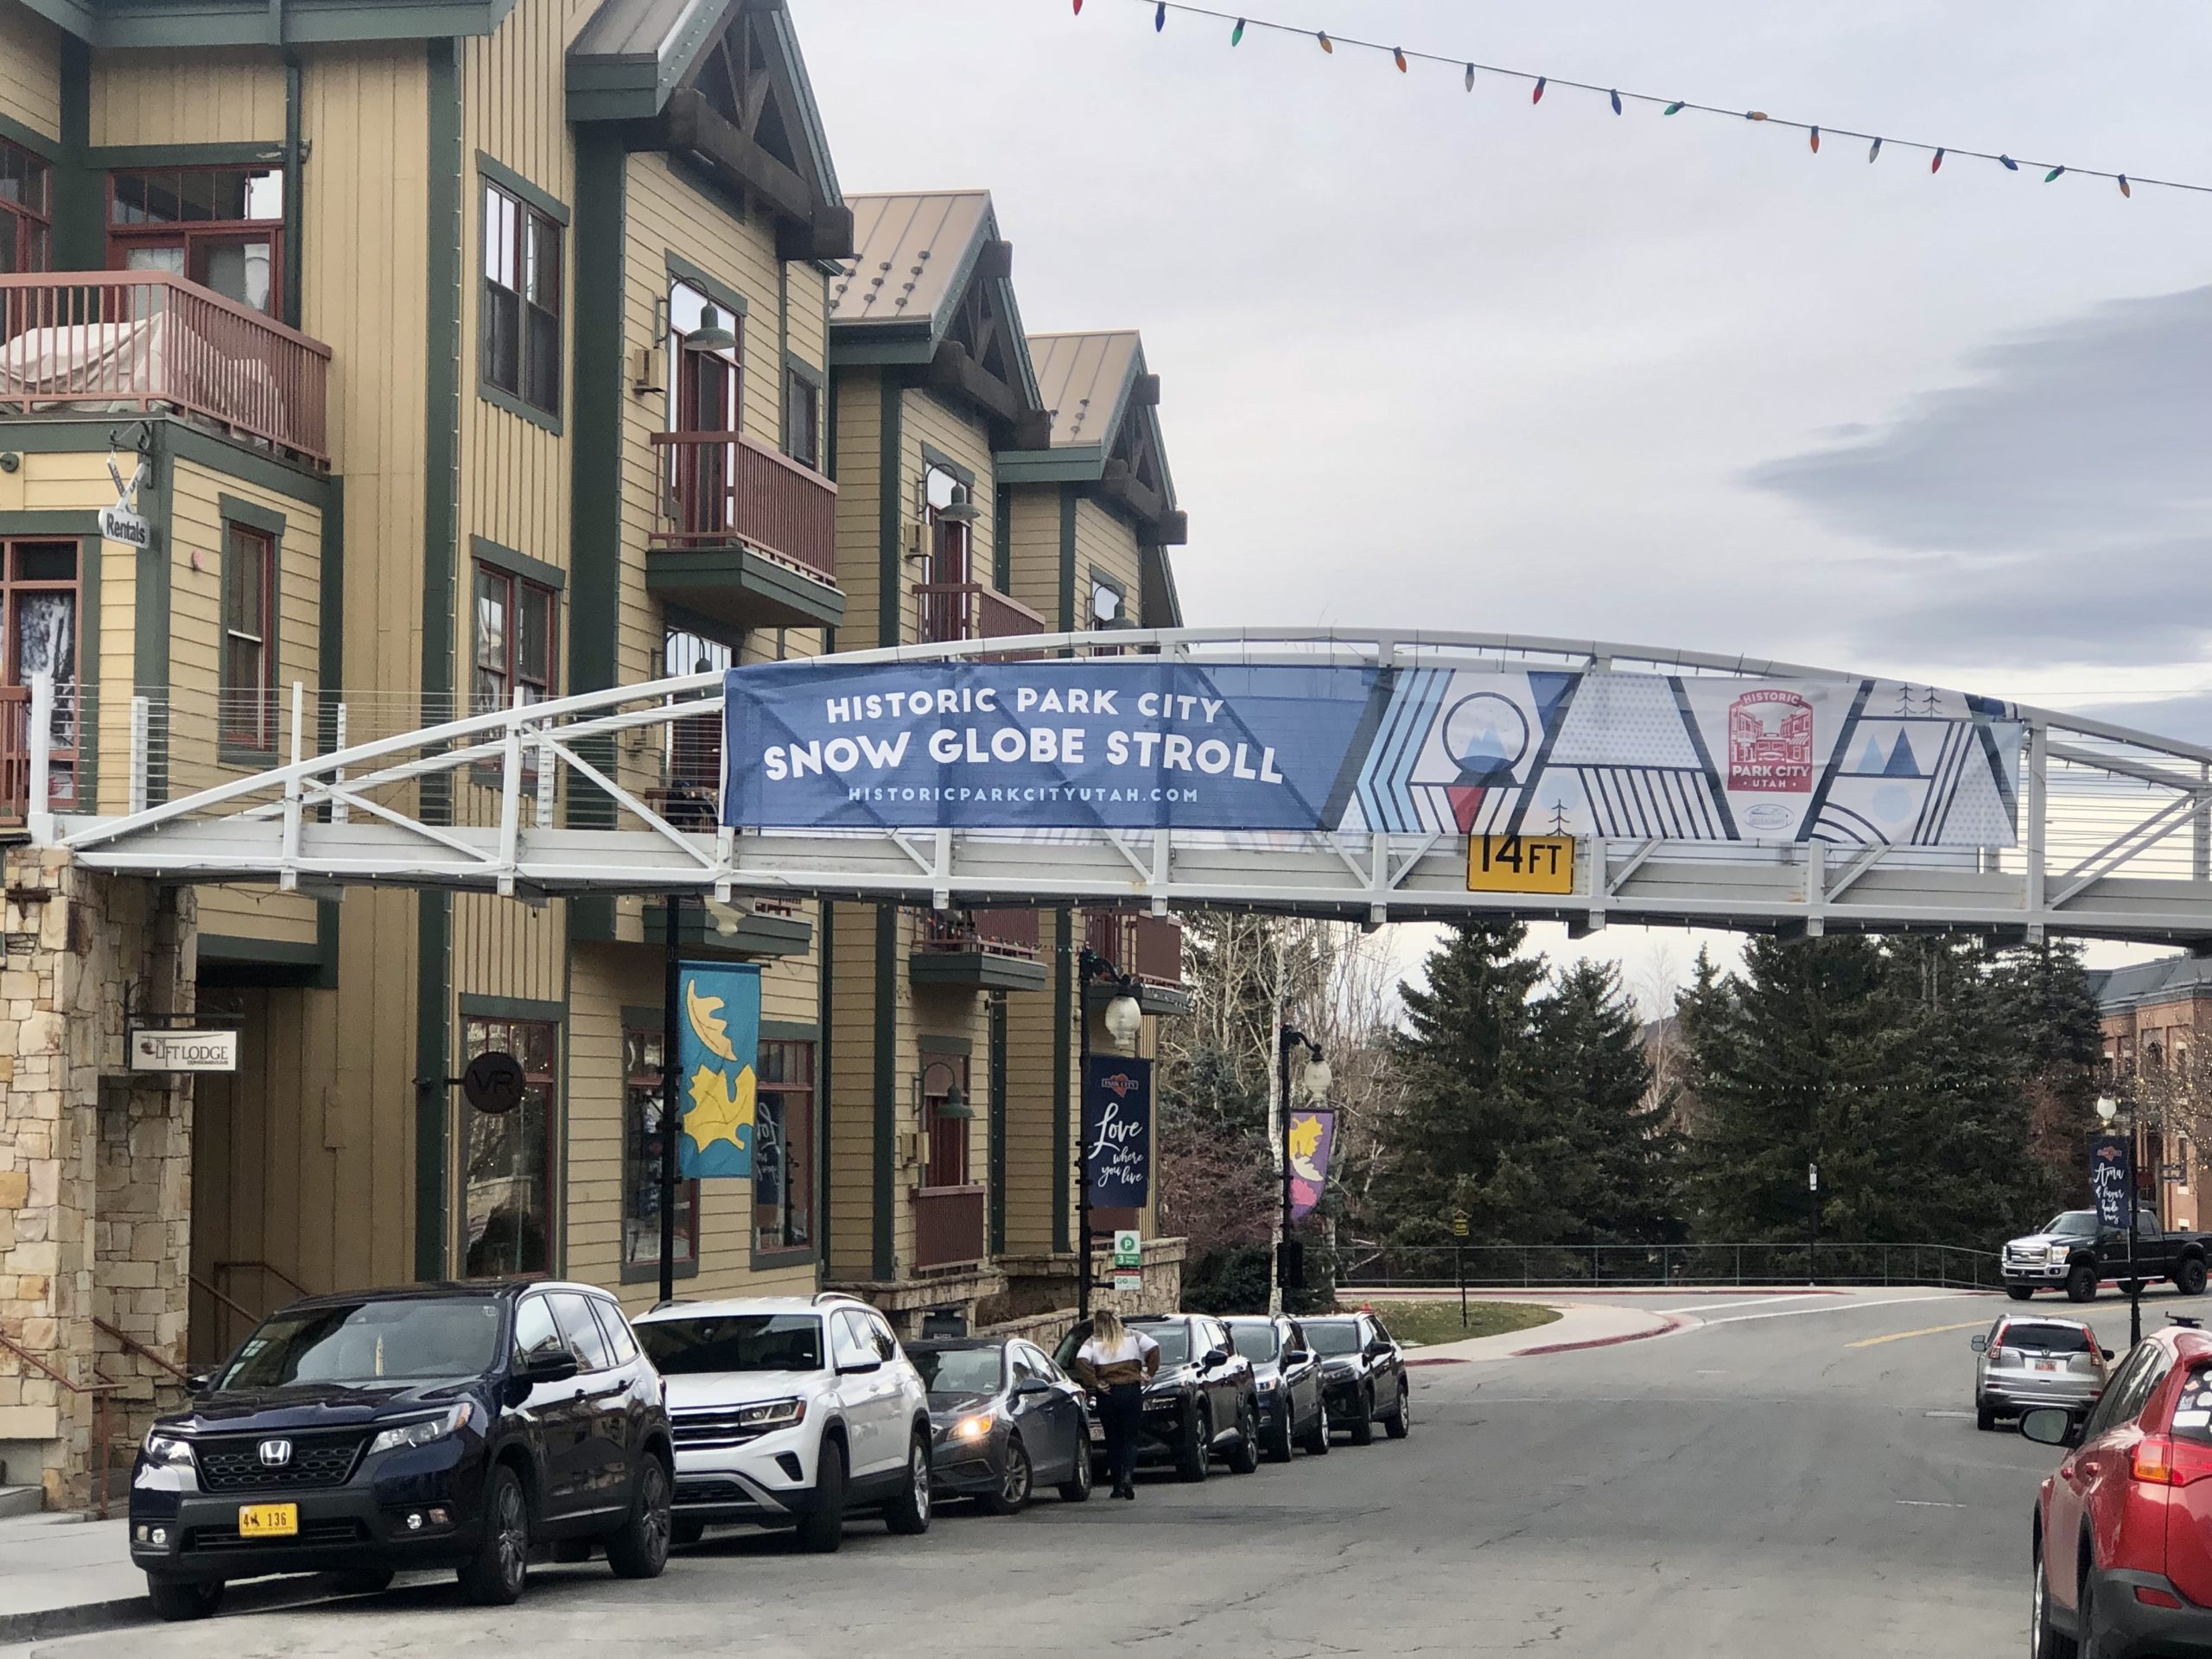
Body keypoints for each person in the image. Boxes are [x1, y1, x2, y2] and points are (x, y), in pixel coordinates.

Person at [1070, 1308, 1160, 1500]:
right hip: (1131, 1391)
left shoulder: (1093, 1341)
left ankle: (1117, 1485)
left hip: (1108, 1393)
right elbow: (1154, 1348)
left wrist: (1095, 1381)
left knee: (1112, 1439)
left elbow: (1081, 1361)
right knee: (1130, 1438)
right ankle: (1128, 1475)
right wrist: (1149, 1373)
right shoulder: (1133, 1336)